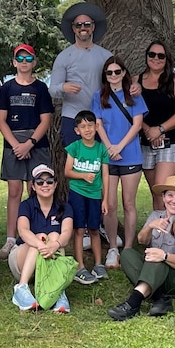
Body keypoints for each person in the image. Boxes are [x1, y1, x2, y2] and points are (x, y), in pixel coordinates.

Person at [106, 175, 175, 320]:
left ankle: (133, 303)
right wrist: (150, 226)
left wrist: (164, 256)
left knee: (157, 260)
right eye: (169, 195)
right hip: (157, 271)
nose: (173, 201)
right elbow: (142, 240)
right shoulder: (157, 215)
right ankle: (160, 298)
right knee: (127, 254)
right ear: (163, 197)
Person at [0, 44, 54, 262]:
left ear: (34, 62)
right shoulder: (8, 88)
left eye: (28, 57)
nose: (24, 61)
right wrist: (16, 145)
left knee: (38, 189)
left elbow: (45, 120)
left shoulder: (40, 88)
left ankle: (34, 235)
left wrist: (29, 144)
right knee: (14, 190)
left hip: (36, 143)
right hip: (13, 141)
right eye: (20, 58)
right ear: (14, 62)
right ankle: (11, 238)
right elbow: (1, 120)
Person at [91, 55, 146, 269]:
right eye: (109, 72)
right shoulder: (99, 96)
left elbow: (137, 124)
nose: (113, 76)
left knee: (129, 203)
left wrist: (120, 146)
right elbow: (98, 124)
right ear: (105, 75)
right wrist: (109, 147)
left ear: (123, 73)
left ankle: (129, 247)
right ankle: (113, 247)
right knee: (110, 204)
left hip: (130, 153)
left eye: (117, 71)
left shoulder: (133, 94)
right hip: (109, 155)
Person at [7, 164, 74, 313]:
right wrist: (40, 244)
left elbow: (66, 233)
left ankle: (57, 289)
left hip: (48, 260)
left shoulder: (64, 207)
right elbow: (23, 231)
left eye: (49, 181)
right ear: (34, 186)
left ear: (55, 184)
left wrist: (55, 244)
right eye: (40, 182)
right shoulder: (26, 205)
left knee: (56, 237)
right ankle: (21, 287)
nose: (45, 185)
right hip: (22, 260)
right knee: (41, 237)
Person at [50, 2, 114, 147]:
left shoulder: (106, 56)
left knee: (100, 164)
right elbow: (52, 89)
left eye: (86, 24)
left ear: (93, 27)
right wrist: (63, 87)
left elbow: (118, 84)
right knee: (76, 165)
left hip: (100, 119)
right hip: (73, 118)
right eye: (78, 25)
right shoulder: (64, 56)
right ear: (73, 28)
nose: (82, 28)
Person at [138, 40, 175, 213]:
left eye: (161, 56)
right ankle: (159, 235)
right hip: (146, 142)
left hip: (171, 140)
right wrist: (147, 130)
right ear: (146, 57)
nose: (156, 58)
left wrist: (159, 129)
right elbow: (130, 110)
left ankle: (171, 233)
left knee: (163, 190)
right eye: (152, 54)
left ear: (167, 59)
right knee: (155, 193)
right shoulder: (136, 81)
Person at [65, 109, 110, 284]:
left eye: (90, 125)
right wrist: (83, 175)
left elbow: (105, 175)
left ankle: (99, 264)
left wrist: (105, 199)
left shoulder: (101, 149)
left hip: (95, 195)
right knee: (78, 229)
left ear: (96, 127)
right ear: (77, 130)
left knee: (94, 228)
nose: (87, 129)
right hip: (77, 193)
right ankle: (80, 267)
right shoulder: (74, 147)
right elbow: (67, 171)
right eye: (83, 126)